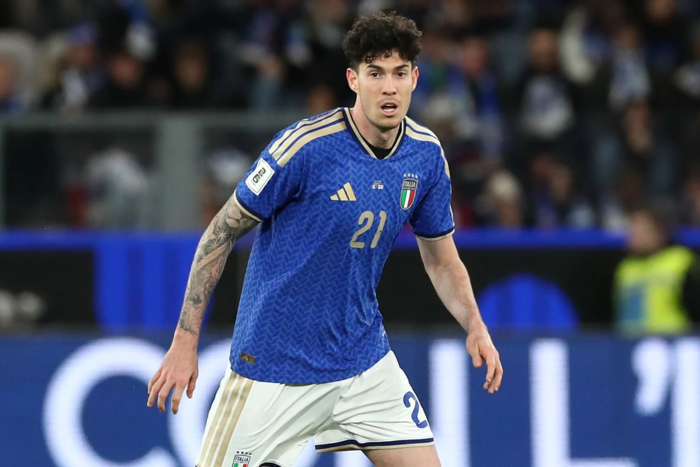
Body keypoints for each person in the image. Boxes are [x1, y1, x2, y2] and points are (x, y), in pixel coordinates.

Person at [147, 12, 503, 467]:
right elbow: (220, 233)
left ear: (415, 79)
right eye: (375, 73)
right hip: (274, 366)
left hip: (362, 363)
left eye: (399, 74)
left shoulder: (425, 156)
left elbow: (442, 260)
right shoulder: (305, 147)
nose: (389, 88)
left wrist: (475, 325)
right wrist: (184, 341)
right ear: (354, 80)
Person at [614, 204, 700, 334]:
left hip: (673, 339)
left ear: (659, 232)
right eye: (631, 230)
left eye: (641, 230)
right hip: (627, 341)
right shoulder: (625, 268)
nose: (633, 236)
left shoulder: (680, 261)